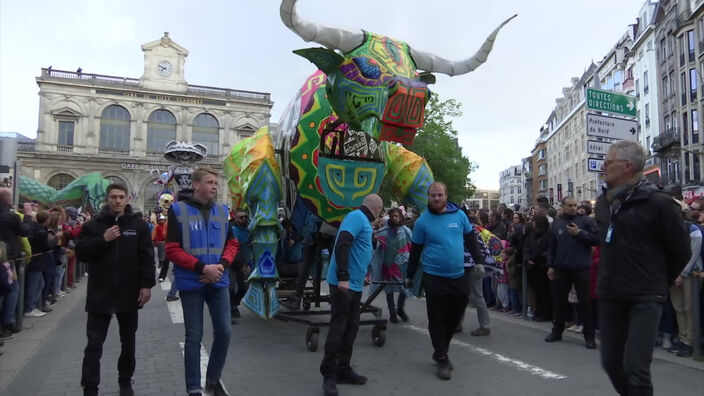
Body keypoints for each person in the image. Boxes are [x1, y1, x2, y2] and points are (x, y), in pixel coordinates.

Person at [595, 140, 691, 396]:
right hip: (611, 294)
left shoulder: (659, 203)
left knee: (636, 368)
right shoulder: (603, 203)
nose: (603, 166)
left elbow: (681, 251)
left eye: (609, 161)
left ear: (627, 166)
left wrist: (659, 282)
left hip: (645, 296)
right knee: (610, 362)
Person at [75, 183, 156, 396]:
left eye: (121, 197)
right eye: (113, 197)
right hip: (100, 292)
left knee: (128, 342)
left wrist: (147, 285)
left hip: (128, 292)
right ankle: (90, 387)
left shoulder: (138, 225)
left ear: (127, 198)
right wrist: (103, 240)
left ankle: (125, 380)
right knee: (94, 344)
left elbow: (147, 257)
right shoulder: (93, 225)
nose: (117, 201)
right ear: (107, 199)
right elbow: (81, 252)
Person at [165, 167, 239, 396]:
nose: (215, 187)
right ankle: (194, 388)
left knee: (224, 332)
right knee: (193, 338)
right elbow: (171, 249)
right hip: (192, 282)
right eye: (210, 182)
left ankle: (213, 380)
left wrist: (222, 266)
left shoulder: (222, 211)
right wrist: (201, 267)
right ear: (196, 185)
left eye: (216, 183)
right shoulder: (178, 211)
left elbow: (232, 244)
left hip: (218, 281)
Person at [406, 182, 485, 380]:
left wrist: (479, 261)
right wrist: (409, 275)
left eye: (440, 195)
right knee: (437, 317)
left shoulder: (459, 216)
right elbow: (415, 251)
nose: (437, 198)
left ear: (446, 195)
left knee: (456, 313)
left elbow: (470, 239)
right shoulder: (422, 222)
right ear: (428, 197)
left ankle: (441, 347)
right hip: (433, 275)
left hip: (458, 274)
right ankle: (442, 356)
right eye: (433, 195)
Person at [320, 194, 383, 396]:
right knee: (339, 327)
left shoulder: (362, 220)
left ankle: (343, 369)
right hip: (343, 284)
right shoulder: (357, 217)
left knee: (351, 327)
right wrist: (344, 276)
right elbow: (343, 245)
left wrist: (360, 274)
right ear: (377, 208)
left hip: (354, 284)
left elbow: (357, 250)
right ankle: (329, 375)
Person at [544, 196, 599, 349]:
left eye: (575, 205)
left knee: (585, 303)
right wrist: (551, 265)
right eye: (570, 205)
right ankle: (557, 331)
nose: (573, 208)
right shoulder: (557, 223)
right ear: (563, 207)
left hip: (581, 267)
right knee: (560, 302)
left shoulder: (585, 221)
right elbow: (552, 246)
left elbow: (597, 239)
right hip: (562, 268)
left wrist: (579, 233)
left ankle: (589, 336)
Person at [371, 207, 412, 323]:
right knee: (389, 289)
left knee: (405, 288)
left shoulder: (406, 231)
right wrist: (374, 239)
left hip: (404, 264)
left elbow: (412, 245)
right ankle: (392, 313)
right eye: (392, 216)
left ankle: (400, 309)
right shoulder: (383, 231)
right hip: (389, 264)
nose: (394, 218)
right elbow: (376, 246)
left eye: (396, 216)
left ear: (400, 217)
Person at [229, 208, 251, 322]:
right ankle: (231, 309)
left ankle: (234, 304)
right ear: (236, 218)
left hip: (243, 264)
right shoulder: (233, 230)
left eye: (245, 217)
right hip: (233, 263)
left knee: (244, 288)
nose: (244, 219)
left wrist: (248, 263)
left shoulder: (248, 230)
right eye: (241, 217)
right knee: (231, 287)